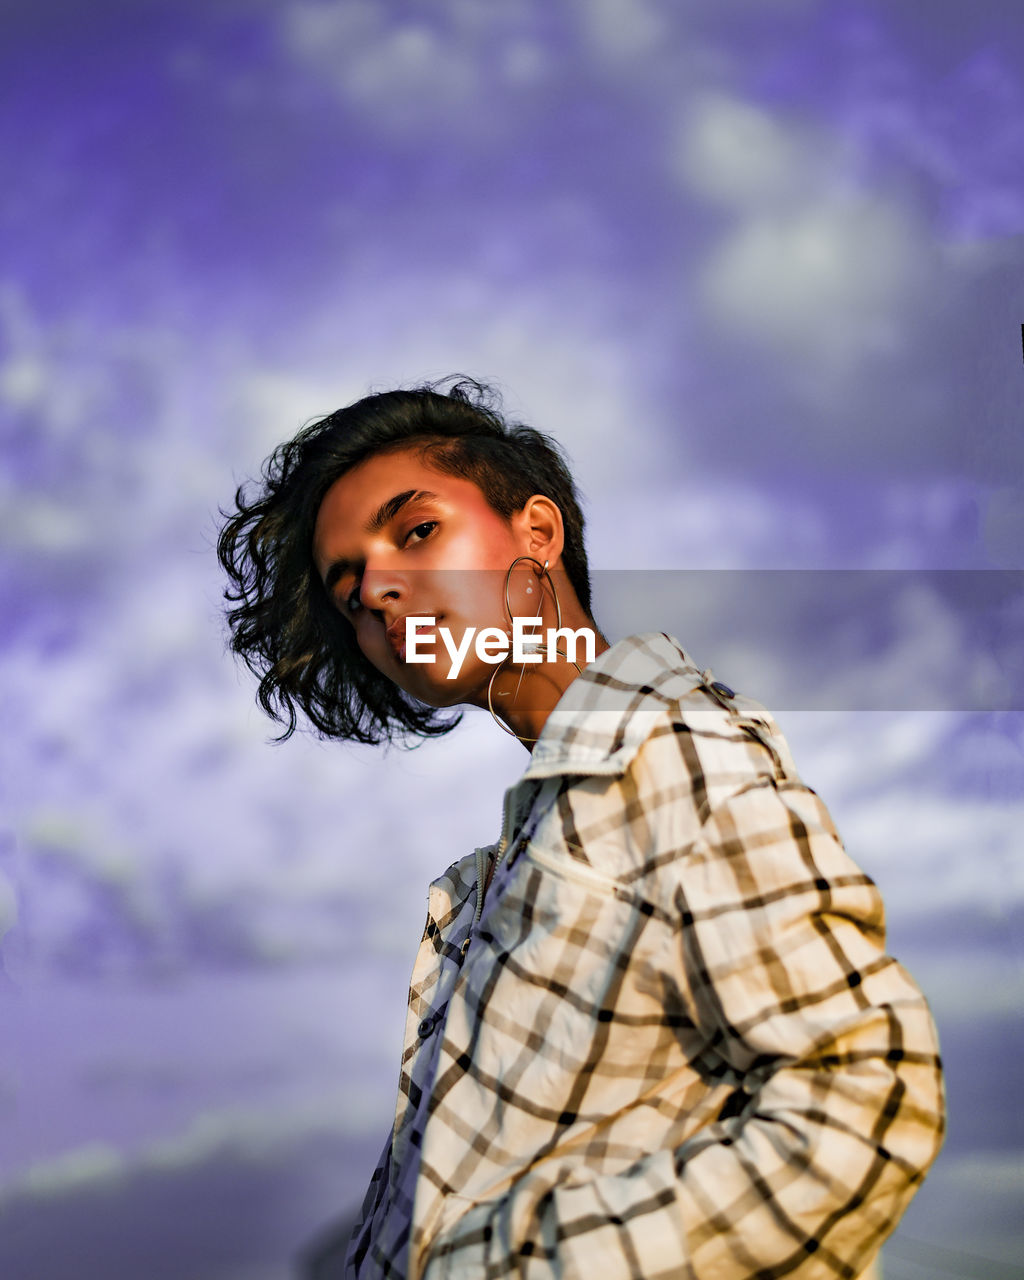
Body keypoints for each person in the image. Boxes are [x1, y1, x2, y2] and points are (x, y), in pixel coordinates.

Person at [217, 377, 945, 1280]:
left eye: (417, 531)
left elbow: (863, 1098)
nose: (381, 591)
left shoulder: (672, 747)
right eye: (352, 589)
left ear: (538, 533)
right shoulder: (505, 862)